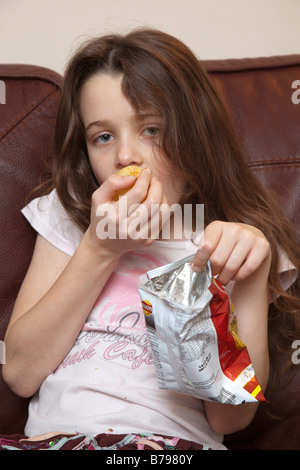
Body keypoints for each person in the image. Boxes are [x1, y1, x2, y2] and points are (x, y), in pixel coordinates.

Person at [2, 28, 299, 451]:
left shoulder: (232, 241)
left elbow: (229, 417)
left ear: (194, 134)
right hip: (58, 441)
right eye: (103, 137)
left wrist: (250, 280)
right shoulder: (71, 214)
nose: (126, 157)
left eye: (151, 130)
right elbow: (20, 372)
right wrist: (101, 246)